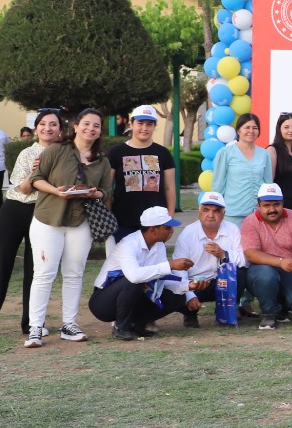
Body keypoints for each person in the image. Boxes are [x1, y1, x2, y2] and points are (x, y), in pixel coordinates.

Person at [26, 108, 114, 348]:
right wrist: (57, 191)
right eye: (86, 123)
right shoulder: (56, 150)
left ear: (100, 132)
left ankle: (69, 325)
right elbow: (36, 179)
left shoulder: (102, 161)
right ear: (76, 126)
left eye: (96, 126)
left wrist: (92, 193)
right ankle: (36, 328)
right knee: (44, 273)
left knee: (74, 273)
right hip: (48, 218)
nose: (90, 129)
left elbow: (106, 191)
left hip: (80, 220)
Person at [0, 109, 62, 339]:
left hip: (43, 212)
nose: (48, 128)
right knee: (0, 262)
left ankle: (32, 323)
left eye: (53, 124)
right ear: (36, 128)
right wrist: (35, 172)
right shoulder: (26, 153)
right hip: (15, 209)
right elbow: (23, 188)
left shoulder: (65, 155)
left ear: (61, 130)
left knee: (37, 269)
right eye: (43, 124)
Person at [88, 206, 196, 340]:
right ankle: (121, 328)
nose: (171, 231)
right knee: (135, 281)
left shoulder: (159, 246)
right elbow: (134, 276)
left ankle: (136, 324)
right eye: (167, 228)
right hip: (103, 303)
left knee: (177, 297)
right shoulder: (128, 244)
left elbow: (162, 279)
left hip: (133, 294)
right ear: (153, 230)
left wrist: (187, 286)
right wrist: (170, 265)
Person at [240, 183, 292, 330]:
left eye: (276, 204)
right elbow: (251, 254)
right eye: (266, 205)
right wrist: (280, 262)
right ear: (258, 205)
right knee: (266, 274)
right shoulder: (250, 221)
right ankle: (269, 314)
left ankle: (281, 306)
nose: (272, 209)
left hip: (289, 269)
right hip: (260, 270)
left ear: (283, 203)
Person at [171, 190, 245, 325]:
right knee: (175, 286)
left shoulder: (232, 229)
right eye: (206, 210)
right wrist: (189, 295)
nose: (211, 215)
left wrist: (224, 254)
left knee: (239, 272)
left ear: (223, 214)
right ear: (198, 212)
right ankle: (189, 313)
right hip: (196, 282)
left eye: (216, 211)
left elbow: (244, 261)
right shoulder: (188, 233)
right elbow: (178, 269)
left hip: (221, 281)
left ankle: (226, 310)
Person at [105, 103, 176, 240]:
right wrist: (108, 216)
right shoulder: (116, 152)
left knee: (154, 254)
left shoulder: (163, 153)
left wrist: (170, 217)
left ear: (154, 127)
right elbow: (107, 188)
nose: (144, 128)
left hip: (156, 221)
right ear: (131, 124)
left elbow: (169, 188)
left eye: (149, 124)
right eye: (140, 123)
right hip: (123, 221)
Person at [216, 113, 273, 225]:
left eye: (255, 128)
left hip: (259, 214)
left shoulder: (264, 154)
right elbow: (218, 184)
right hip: (233, 213)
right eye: (247, 127)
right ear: (238, 130)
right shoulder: (226, 153)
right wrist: (217, 207)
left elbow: (268, 183)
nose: (251, 131)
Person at [266, 113, 292, 215]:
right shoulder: (272, 150)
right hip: (280, 205)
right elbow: (269, 181)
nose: (291, 130)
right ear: (279, 129)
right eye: (286, 127)